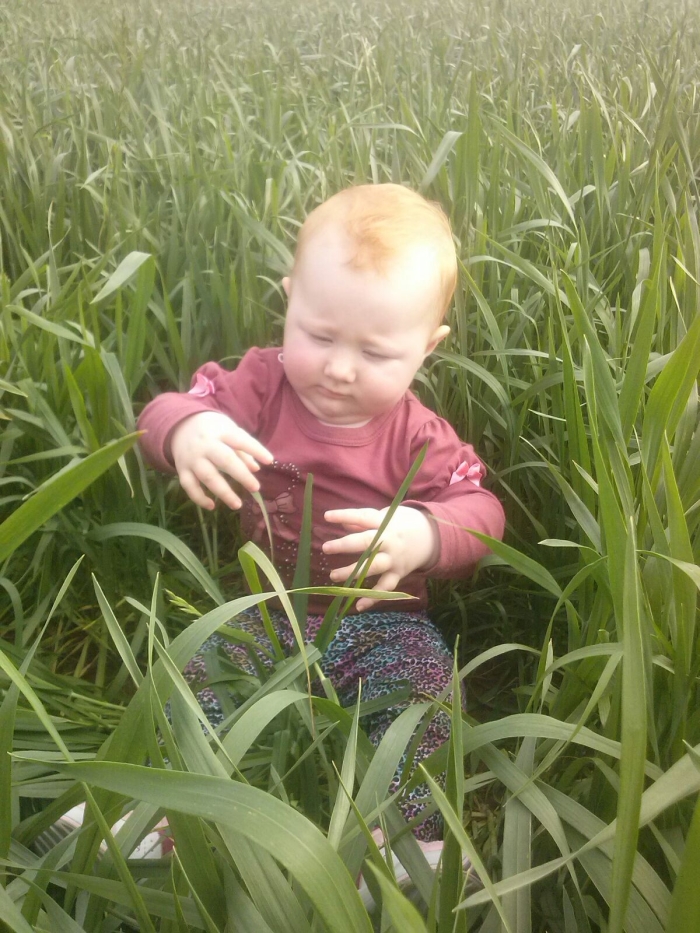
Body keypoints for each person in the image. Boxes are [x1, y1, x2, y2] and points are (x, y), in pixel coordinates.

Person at [137, 183, 505, 849]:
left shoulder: (419, 437)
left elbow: (482, 511)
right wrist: (187, 430)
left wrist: (423, 534)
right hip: (265, 609)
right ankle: (155, 818)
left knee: (422, 706)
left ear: (428, 346)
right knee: (194, 682)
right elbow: (173, 404)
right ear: (289, 301)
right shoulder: (261, 383)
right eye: (318, 334)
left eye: (376, 353)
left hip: (386, 621)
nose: (338, 368)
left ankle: (413, 850)